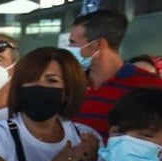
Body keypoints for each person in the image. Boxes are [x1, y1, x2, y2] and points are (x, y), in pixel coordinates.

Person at [69, 9, 162, 138]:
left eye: (73, 42)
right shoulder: (69, 83)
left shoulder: (150, 86)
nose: (69, 48)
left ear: (98, 44)